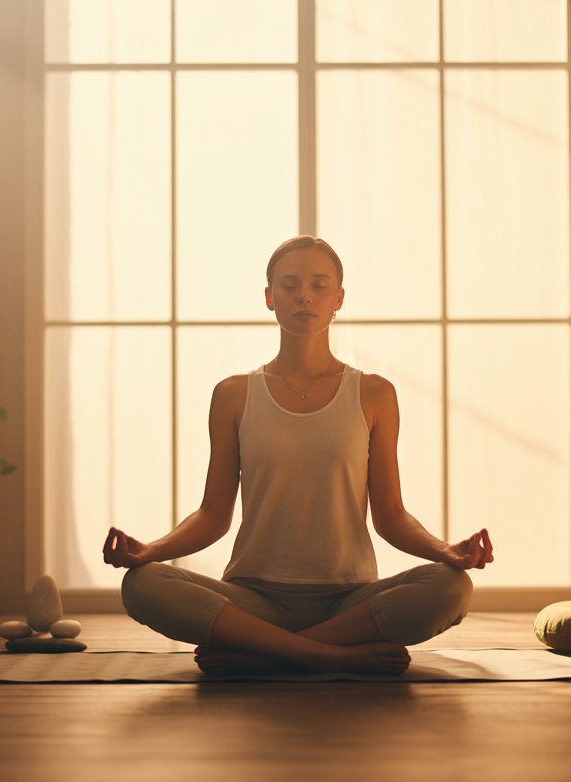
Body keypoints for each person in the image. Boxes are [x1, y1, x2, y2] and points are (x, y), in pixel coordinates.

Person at [103, 236, 493, 676]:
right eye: (289, 285)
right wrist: (150, 550)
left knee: (451, 587)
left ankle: (260, 651)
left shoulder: (374, 393)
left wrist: (446, 550)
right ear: (270, 297)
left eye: (319, 286)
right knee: (142, 584)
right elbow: (213, 515)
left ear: (338, 299)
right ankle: (327, 654)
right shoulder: (233, 395)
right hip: (253, 599)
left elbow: (391, 517)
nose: (304, 296)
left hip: (349, 602)